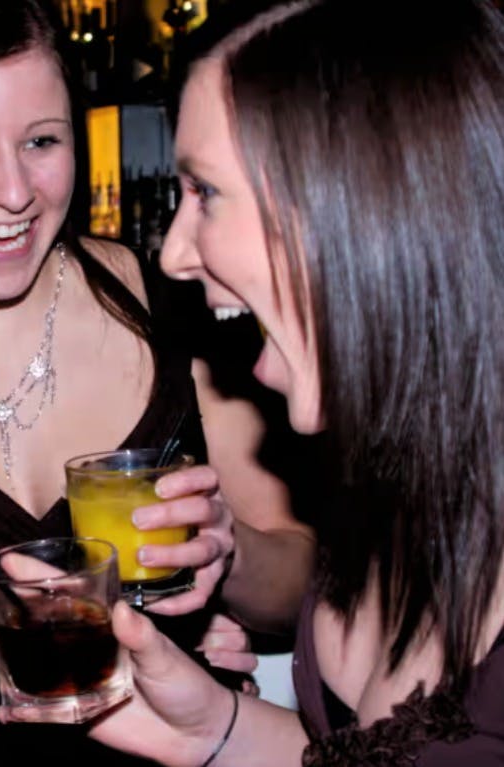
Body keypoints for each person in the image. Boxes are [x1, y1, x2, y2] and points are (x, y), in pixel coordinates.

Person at [0, 0, 312, 762]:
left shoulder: (171, 306)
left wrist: (225, 551)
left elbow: (302, 586)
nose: (14, 191)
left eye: (41, 141)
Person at [45, 0, 504, 763]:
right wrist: (214, 727)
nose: (174, 254)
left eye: (206, 193)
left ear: (358, 207)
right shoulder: (388, 495)